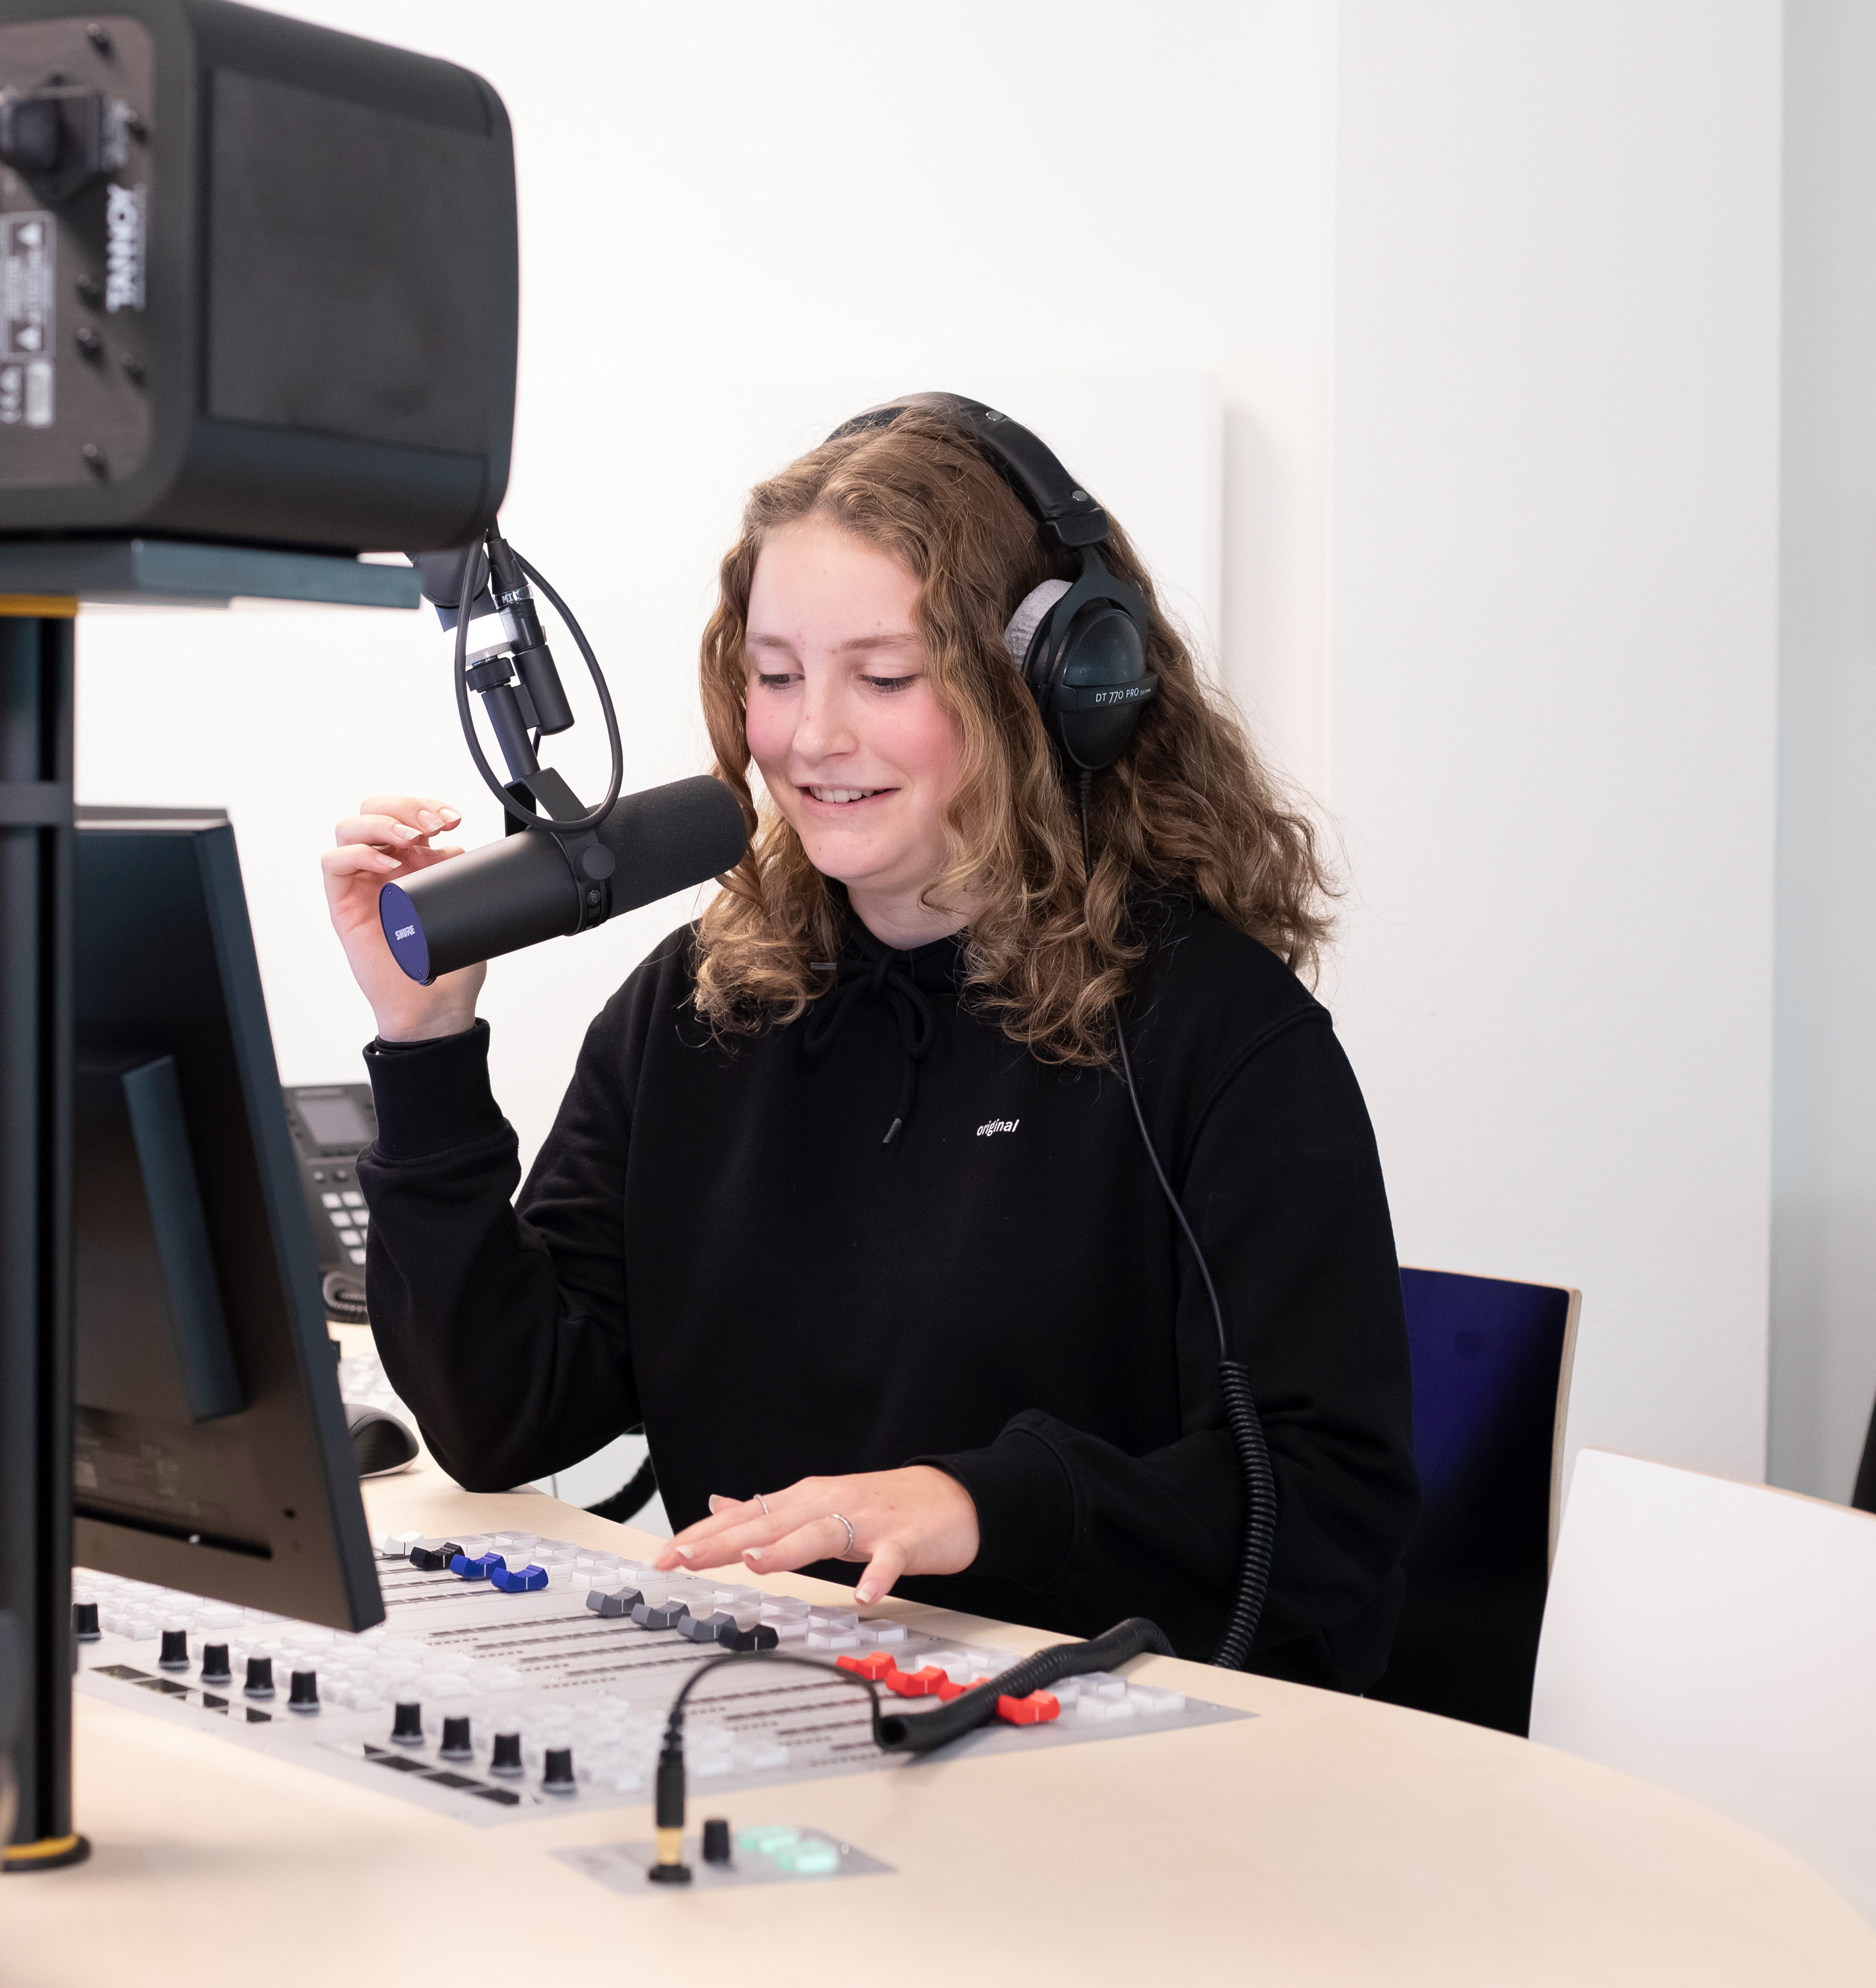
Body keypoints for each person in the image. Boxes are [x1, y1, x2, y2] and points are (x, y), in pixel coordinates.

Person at [319, 401, 1417, 1686]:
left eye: (884, 676)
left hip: (1088, 1759)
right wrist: (427, 1045)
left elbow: (1322, 1511)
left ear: (1053, 687)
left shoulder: (1222, 1036)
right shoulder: (699, 1004)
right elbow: (503, 1414)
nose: (811, 736)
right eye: (776, 674)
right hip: (768, 1710)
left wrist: (981, 1503)